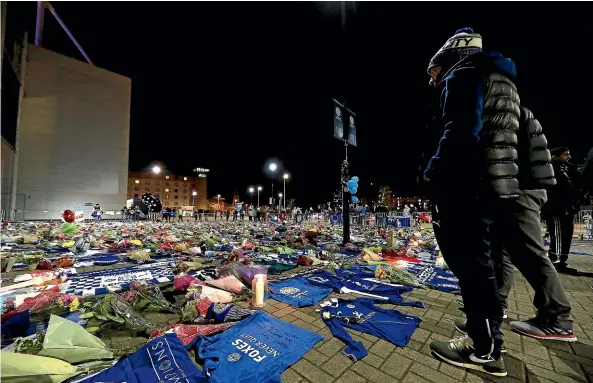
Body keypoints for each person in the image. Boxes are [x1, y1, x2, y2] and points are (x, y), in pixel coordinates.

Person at [423, 27, 520, 376]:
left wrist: (433, 173)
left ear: (449, 56)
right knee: (486, 265)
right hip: (500, 183)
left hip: (471, 184)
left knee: (470, 267)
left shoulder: (464, 74)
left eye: (434, 74)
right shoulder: (503, 78)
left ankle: (483, 347)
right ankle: (488, 335)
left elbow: (462, 129)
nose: (434, 83)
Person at [454, 107, 575, 344]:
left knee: (530, 254)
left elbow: (496, 151)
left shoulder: (500, 105)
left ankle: (558, 318)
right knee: (502, 255)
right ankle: (493, 312)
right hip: (512, 186)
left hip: (519, 188)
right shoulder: (505, 105)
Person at [542, 147, 582, 274]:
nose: (568, 157)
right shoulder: (550, 169)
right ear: (555, 156)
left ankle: (562, 261)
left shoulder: (568, 169)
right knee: (558, 235)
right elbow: (553, 190)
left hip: (567, 209)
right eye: (565, 155)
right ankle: (556, 261)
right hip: (556, 209)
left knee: (566, 235)